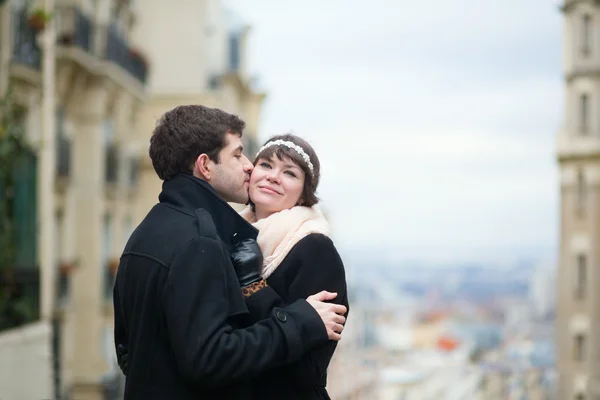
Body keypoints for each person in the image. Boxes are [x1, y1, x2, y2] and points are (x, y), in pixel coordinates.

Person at [112, 105, 347, 399]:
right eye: (239, 155)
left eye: (289, 173)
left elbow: (126, 349)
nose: (249, 166)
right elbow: (209, 356)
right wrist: (300, 321)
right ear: (205, 166)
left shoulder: (145, 233)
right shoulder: (202, 241)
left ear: (305, 192)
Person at [232, 134, 349, 399]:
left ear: (303, 195)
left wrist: (253, 286)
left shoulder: (315, 250)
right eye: (266, 165)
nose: (273, 176)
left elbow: (308, 370)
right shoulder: (230, 238)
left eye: (290, 173)